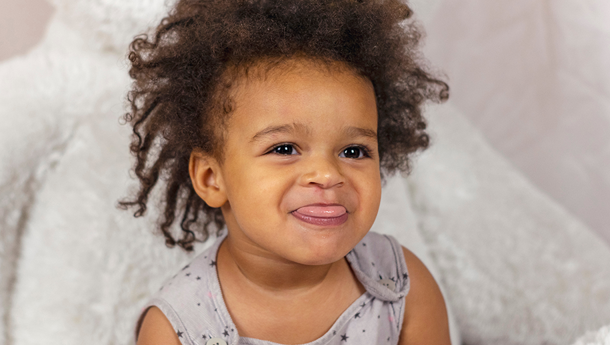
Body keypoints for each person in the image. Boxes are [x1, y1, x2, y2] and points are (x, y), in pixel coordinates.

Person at [120, 0, 451, 344]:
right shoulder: (179, 329)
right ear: (210, 178)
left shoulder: (400, 286)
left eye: (353, 151)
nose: (327, 174)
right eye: (284, 149)